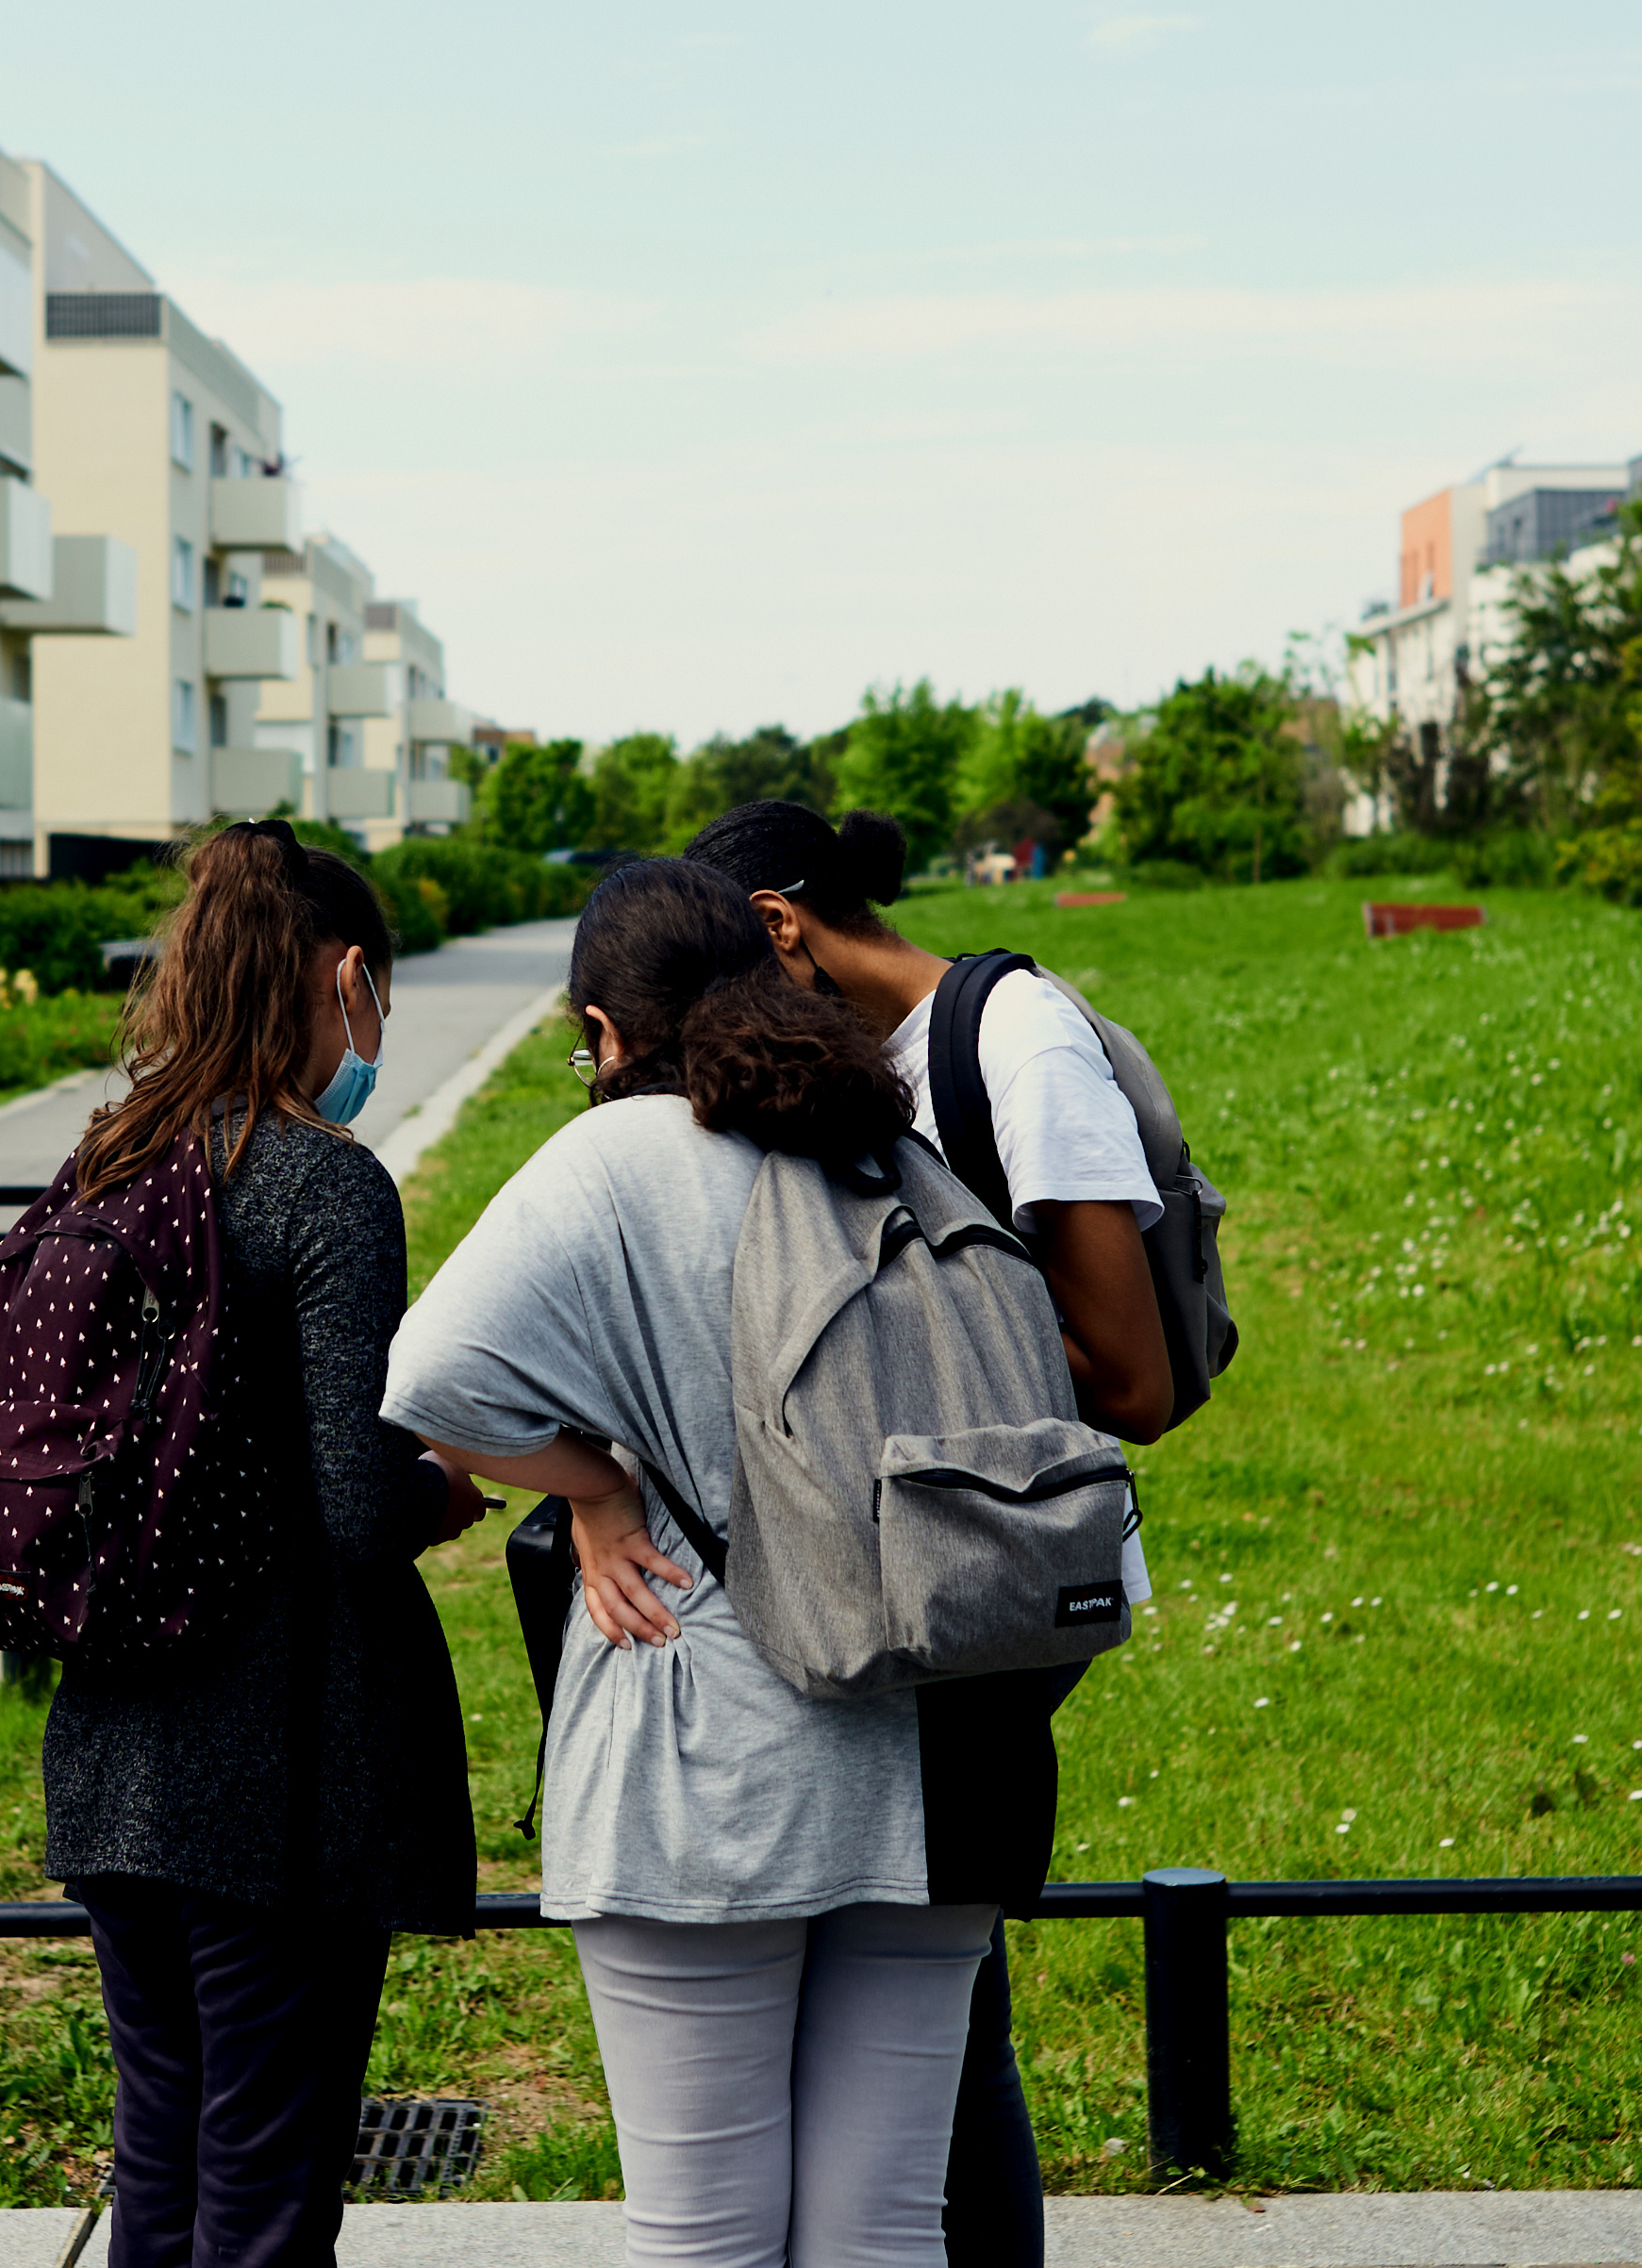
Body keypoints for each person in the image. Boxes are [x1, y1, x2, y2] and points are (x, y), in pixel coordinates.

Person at [383, 857, 1007, 2268]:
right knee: (882, 2231)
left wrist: (598, 1484)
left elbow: (428, 1383)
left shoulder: (616, 1157)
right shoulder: (883, 1142)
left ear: (606, 1030)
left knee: (703, 2235)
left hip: (703, 1741)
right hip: (939, 1742)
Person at [686, 798, 1173, 2268]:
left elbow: (1130, 1376)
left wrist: (905, 1355)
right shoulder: (860, 1064)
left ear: (780, 926)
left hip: (990, 1576)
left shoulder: (1013, 1041)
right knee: (934, 2031)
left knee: (949, 2036)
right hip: (894, 1573)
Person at [39, 820, 489, 2268]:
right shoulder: (324, 1180)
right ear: (345, 976)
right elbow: (355, 1503)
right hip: (278, 1775)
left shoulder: (106, 1160)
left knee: (159, 2161)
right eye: (379, 995)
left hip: (112, 1748)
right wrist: (443, 1483)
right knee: (264, 2186)